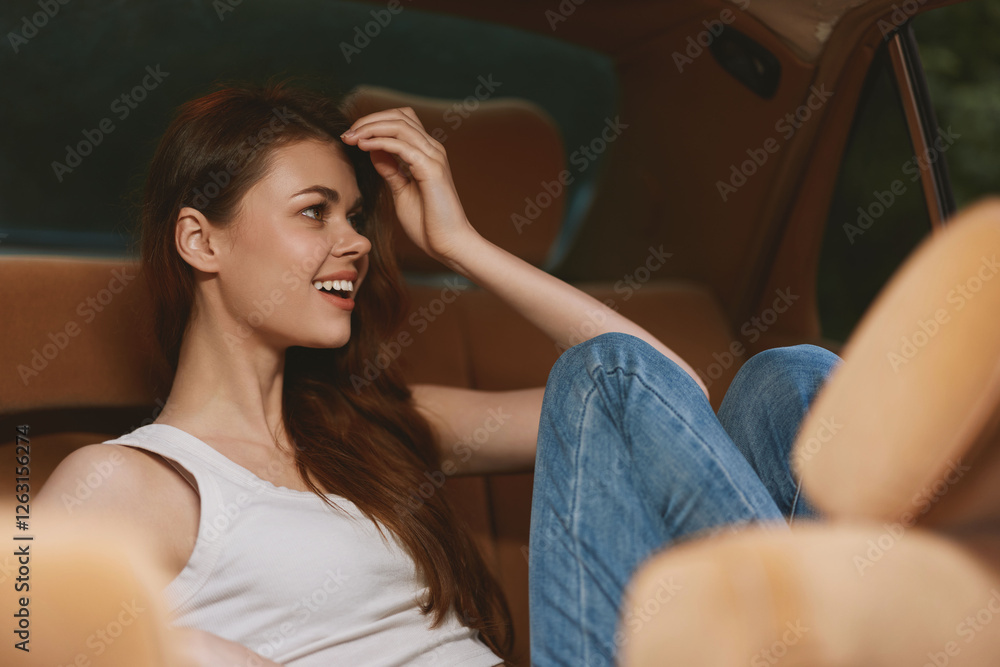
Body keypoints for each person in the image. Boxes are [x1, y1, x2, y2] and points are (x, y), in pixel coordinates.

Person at [35, 81, 840, 666]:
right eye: (315, 211)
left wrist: (462, 245)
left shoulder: (378, 424)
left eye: (356, 216)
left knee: (787, 381)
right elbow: (23, 632)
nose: (353, 241)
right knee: (608, 378)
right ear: (200, 241)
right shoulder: (124, 479)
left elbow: (668, 397)